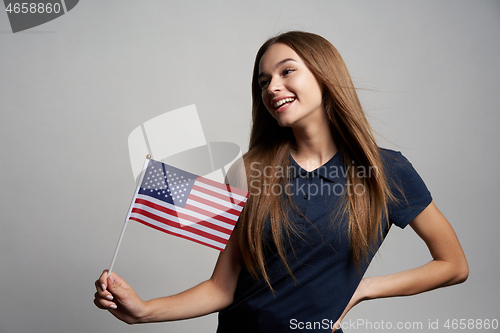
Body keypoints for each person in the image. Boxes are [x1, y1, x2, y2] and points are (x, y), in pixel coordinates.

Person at [94, 31, 468, 332]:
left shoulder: (386, 171)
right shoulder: (248, 169)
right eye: (264, 80)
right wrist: (143, 311)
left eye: (287, 71)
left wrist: (363, 290)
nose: (273, 87)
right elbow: (221, 287)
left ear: (325, 76)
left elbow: (453, 265)